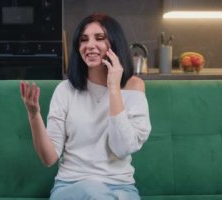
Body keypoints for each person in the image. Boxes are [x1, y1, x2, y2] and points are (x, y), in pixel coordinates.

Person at [20, 13, 151, 200]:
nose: (90, 45)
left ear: (115, 44)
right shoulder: (65, 91)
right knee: (95, 192)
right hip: (72, 185)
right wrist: (34, 116)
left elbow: (122, 147)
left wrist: (113, 88)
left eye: (99, 38)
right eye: (83, 40)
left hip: (122, 186)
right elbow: (49, 158)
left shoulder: (133, 86)